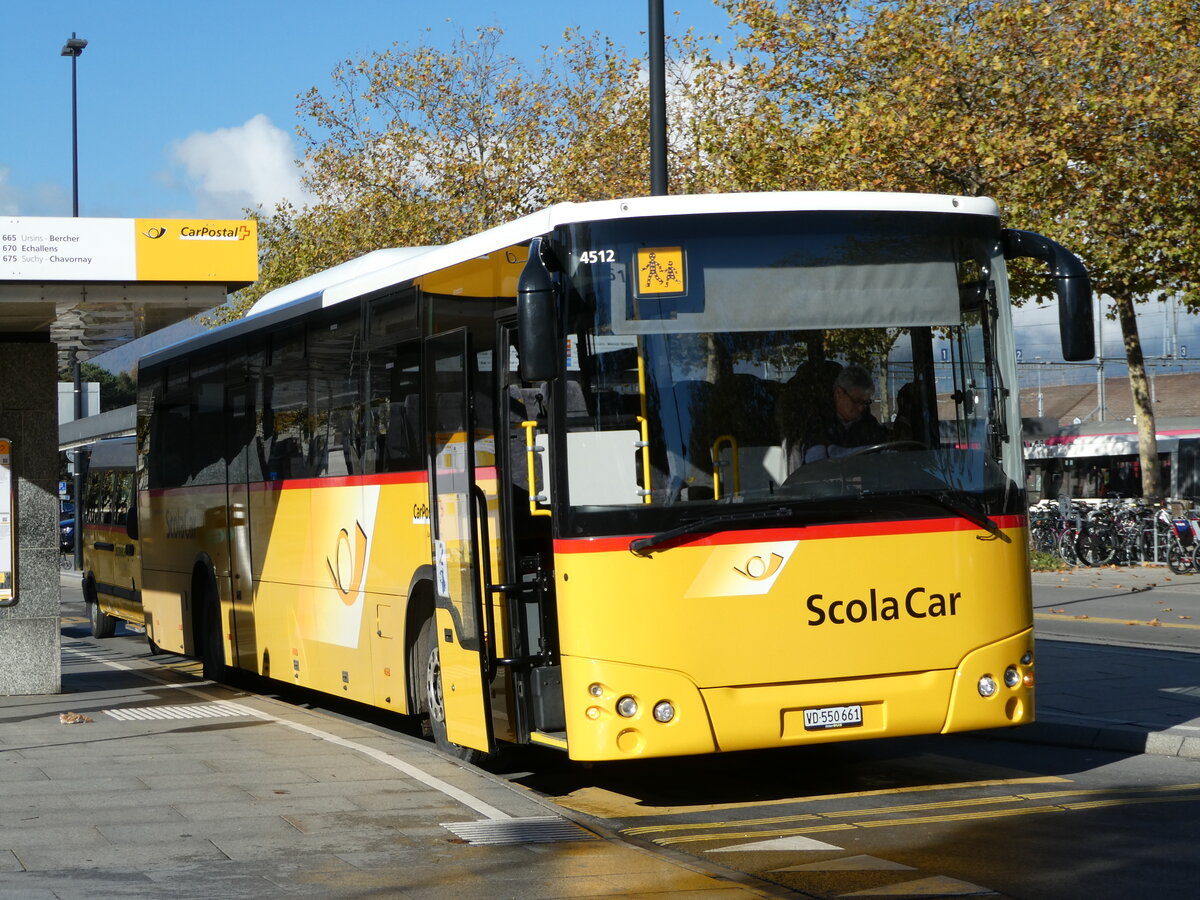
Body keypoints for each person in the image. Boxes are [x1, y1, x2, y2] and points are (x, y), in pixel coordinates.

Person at [801, 364, 885, 463]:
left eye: (865, 402)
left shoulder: (870, 424)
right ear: (838, 393)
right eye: (856, 401)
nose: (861, 408)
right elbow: (816, 467)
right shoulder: (818, 423)